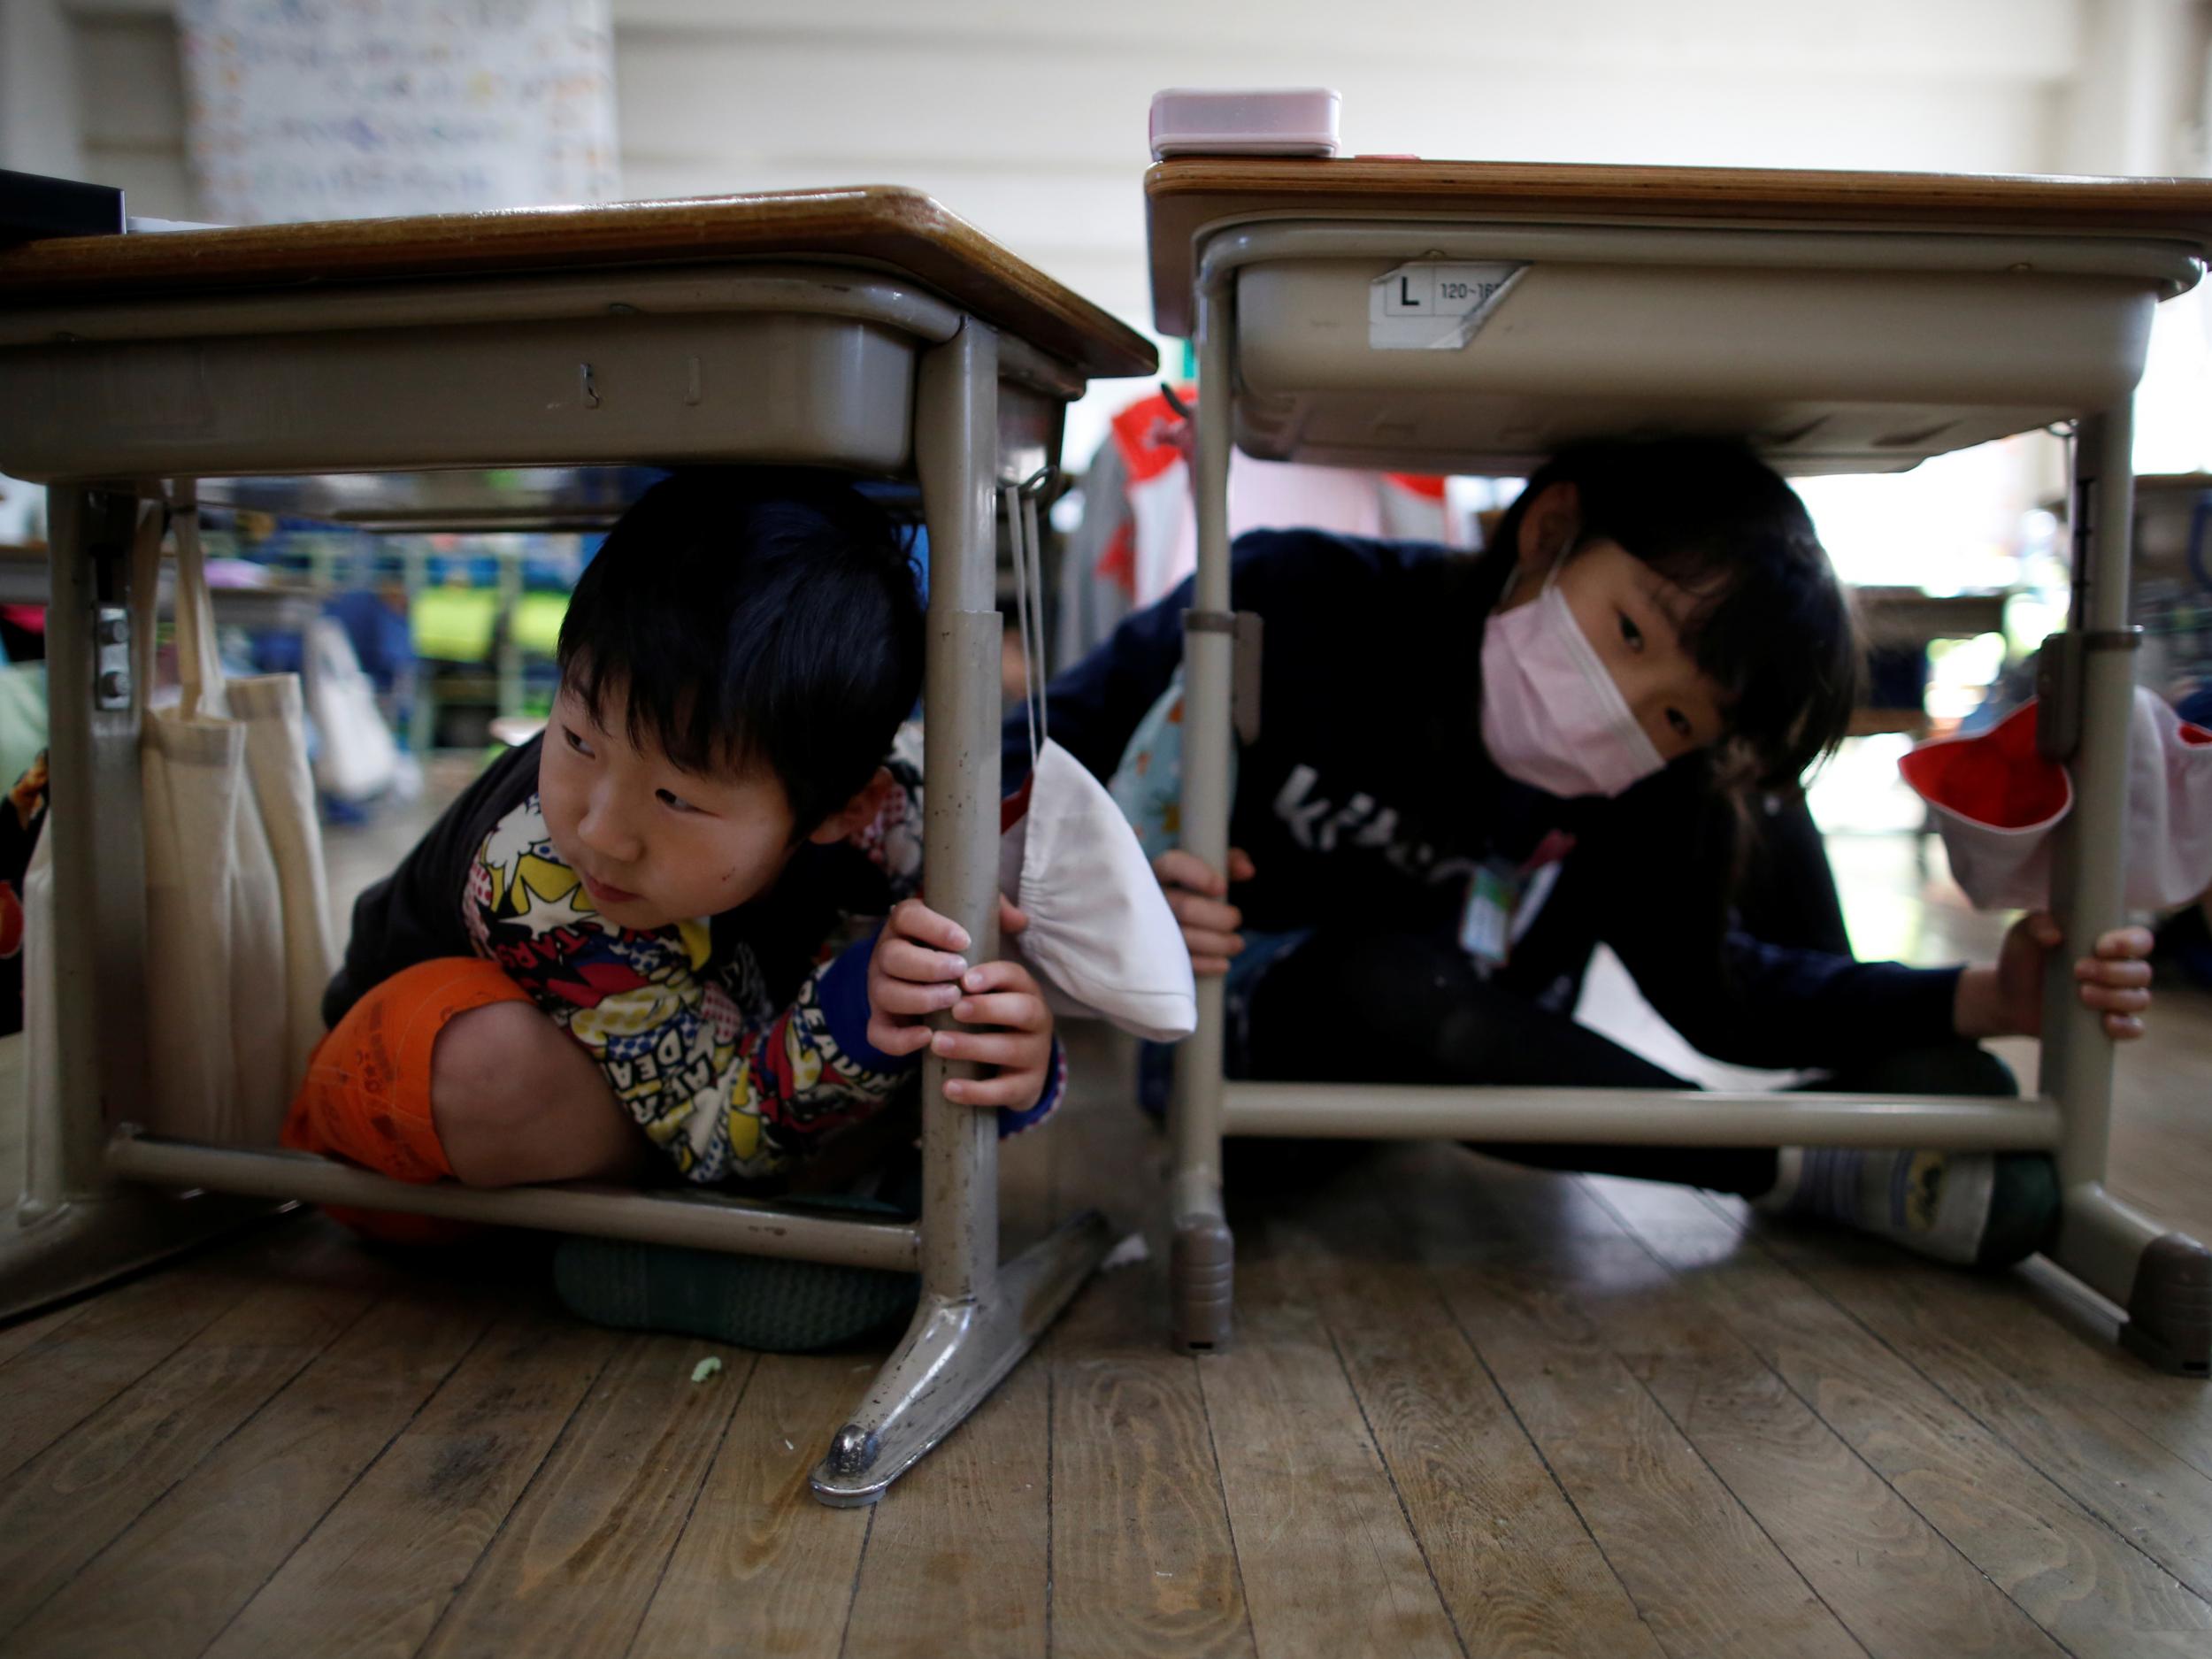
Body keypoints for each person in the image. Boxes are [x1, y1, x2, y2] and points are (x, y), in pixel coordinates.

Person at [1018, 437, 2152, 1268]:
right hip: (1245, 1063)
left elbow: (1718, 993)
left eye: (1674, 717)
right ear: (1549, 529)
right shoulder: (1293, 597)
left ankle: (1843, 1120)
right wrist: (1132, 899)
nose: (1623, 707)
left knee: (1733, 816)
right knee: (1387, 973)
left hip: (1474, 1063)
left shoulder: (1649, 786)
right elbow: (1041, 760)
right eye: (1626, 632)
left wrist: (1985, 992)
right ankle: (1800, 1164)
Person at [289, 471, 1061, 1347]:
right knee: (488, 1065)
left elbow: (970, 973)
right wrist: (855, 1018)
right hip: (422, 1154)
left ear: (843, 806)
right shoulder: (537, 875)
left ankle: (696, 1238)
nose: (602, 828)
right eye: (577, 740)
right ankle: (709, 1235)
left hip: (691, 1102)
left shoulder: (890, 807)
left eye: (677, 799)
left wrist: (998, 1043)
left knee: (914, 973)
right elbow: (705, 1128)